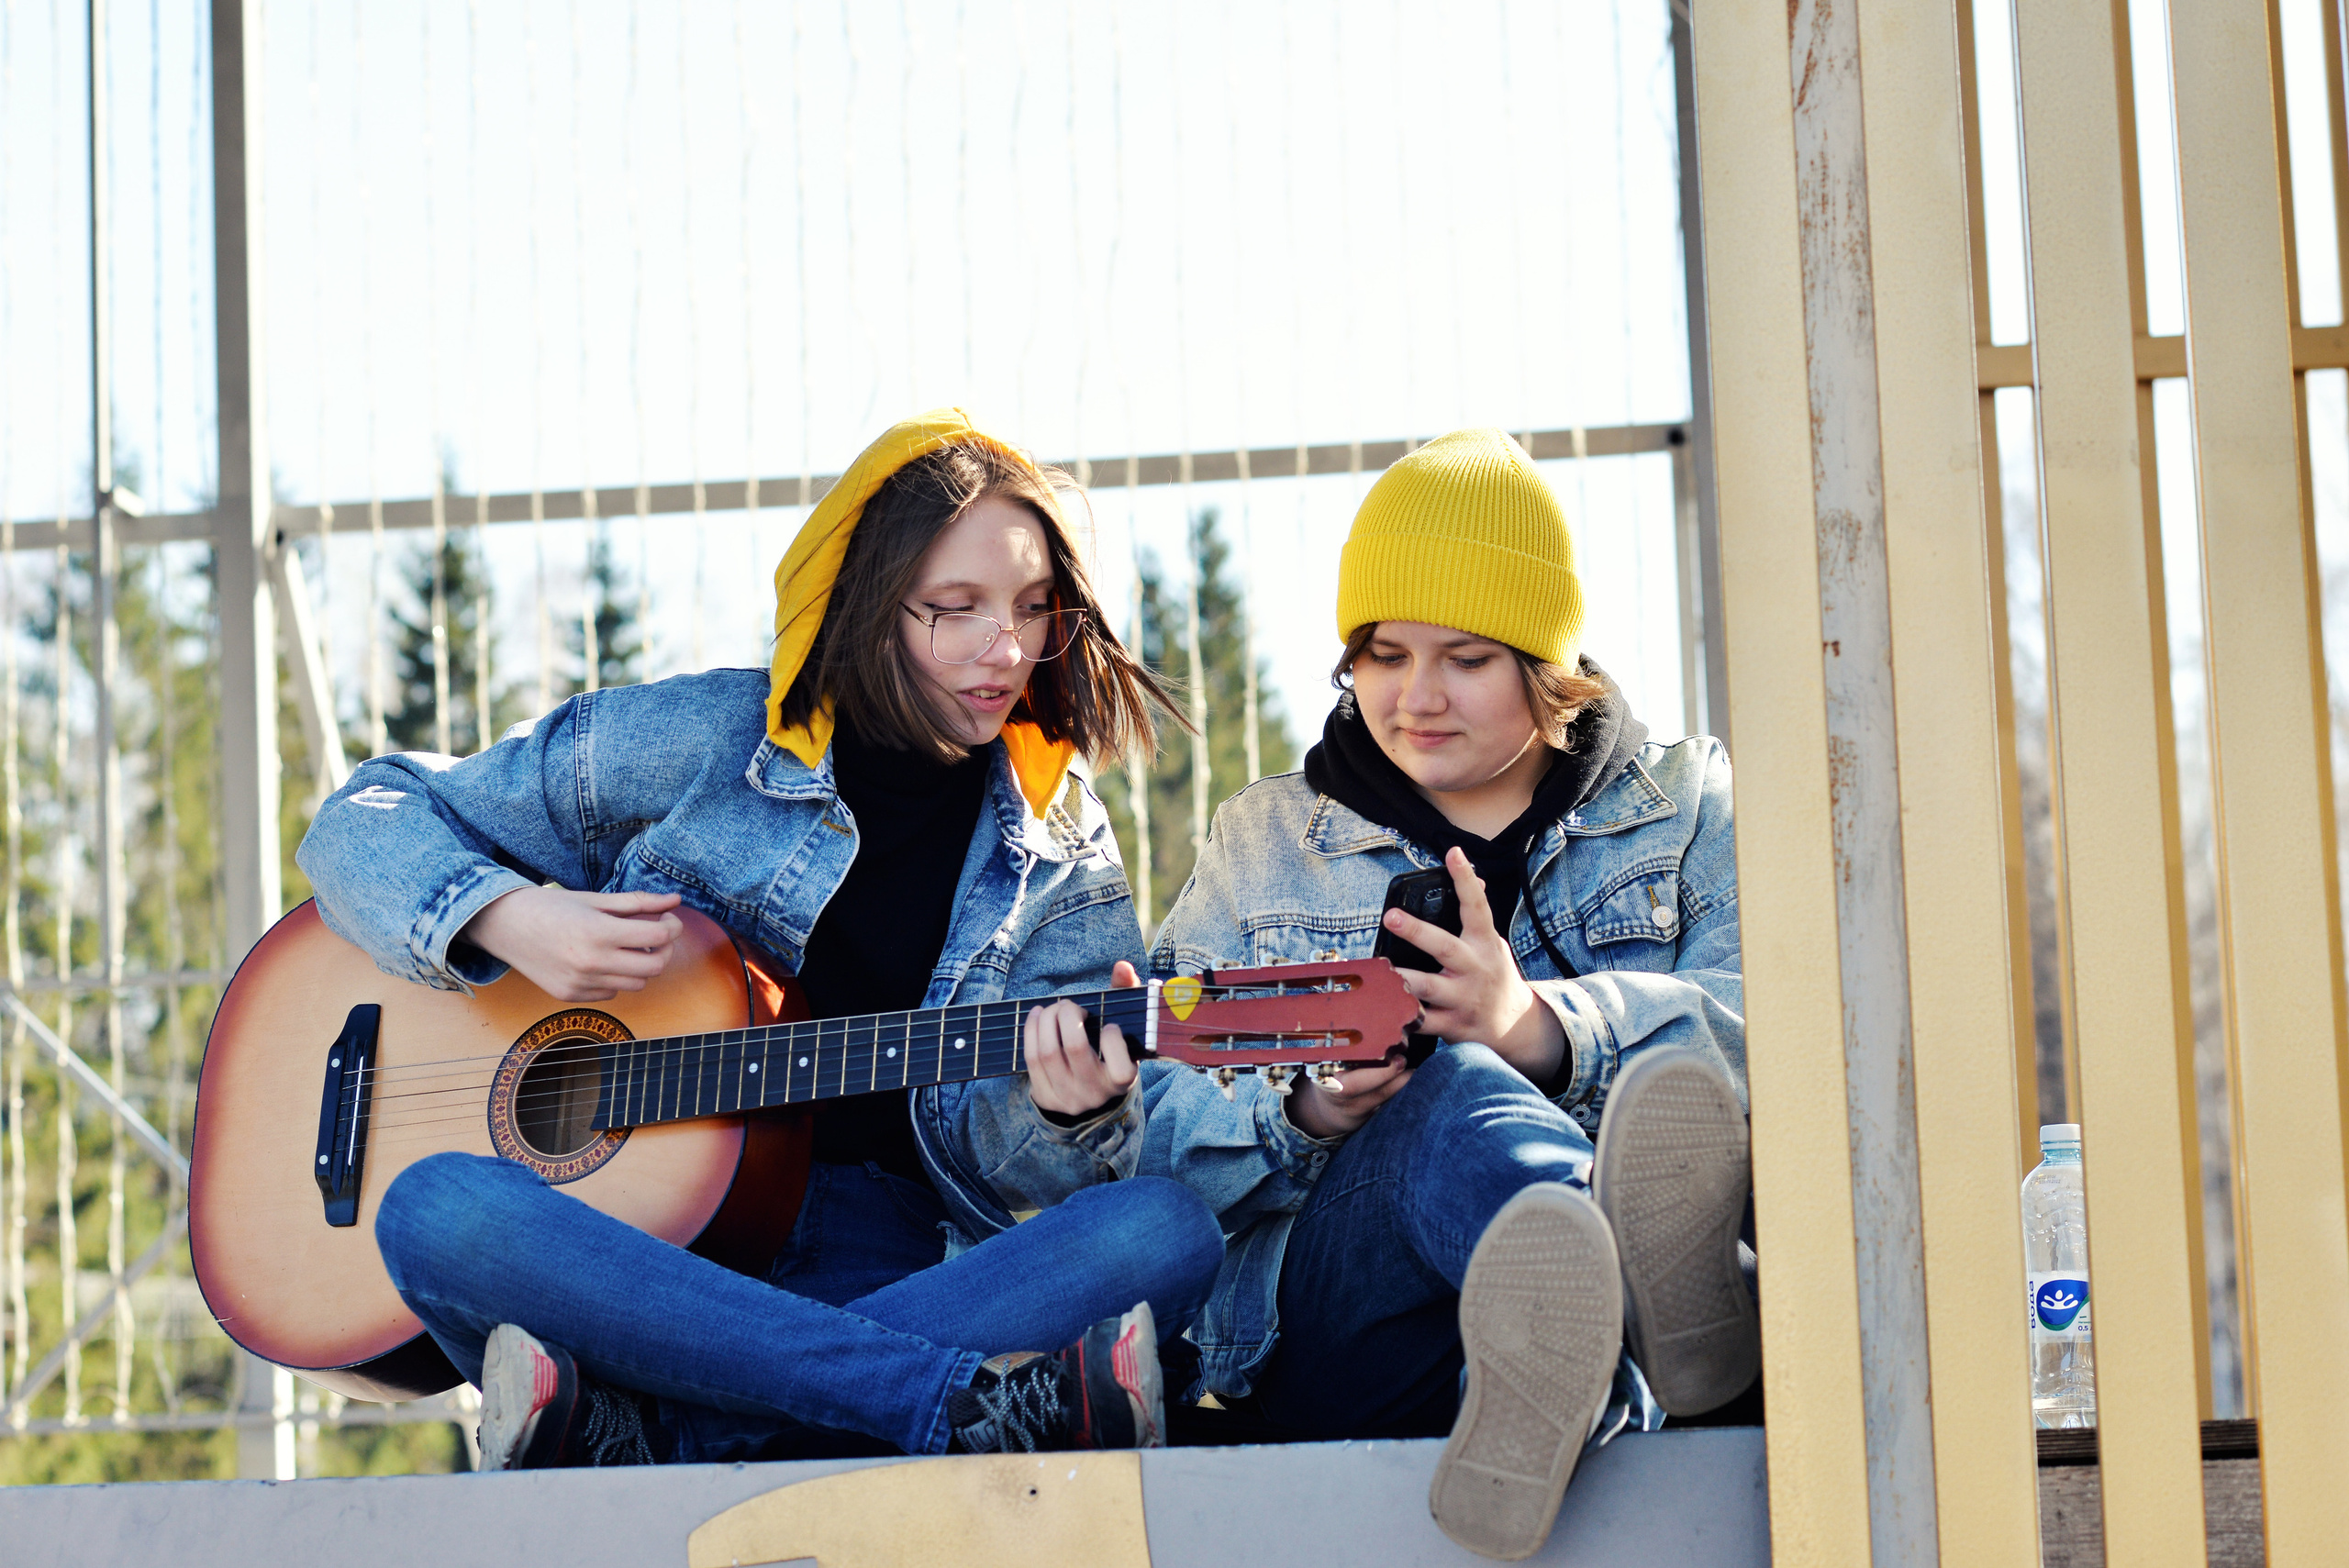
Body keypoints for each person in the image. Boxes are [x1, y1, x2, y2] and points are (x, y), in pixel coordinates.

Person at [296, 409, 1223, 1469]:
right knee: (435, 1205)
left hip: (888, 1264)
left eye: (1029, 608)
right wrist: (512, 917)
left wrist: (1078, 1110)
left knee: (1160, 1230)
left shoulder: (1062, 848)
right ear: (865, 604)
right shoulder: (707, 740)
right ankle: (935, 1402)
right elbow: (359, 822)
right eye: (954, 609)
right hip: (630, 1264)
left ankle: (662, 1430)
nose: (1004, 649)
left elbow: (1038, 1173)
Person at [1052, 428, 1756, 1560]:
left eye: (1466, 658)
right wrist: (1306, 1113)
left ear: (1543, 663)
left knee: (1519, 1068)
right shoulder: (1268, 843)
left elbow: (1782, 1029)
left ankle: (1593, 1366)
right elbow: (1161, 1121)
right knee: (1451, 1094)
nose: (1415, 696)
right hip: (1353, 1322)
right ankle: (1650, 1314)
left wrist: (1545, 1030)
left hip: (1560, 1351)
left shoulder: (1682, 806)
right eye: (1382, 654)